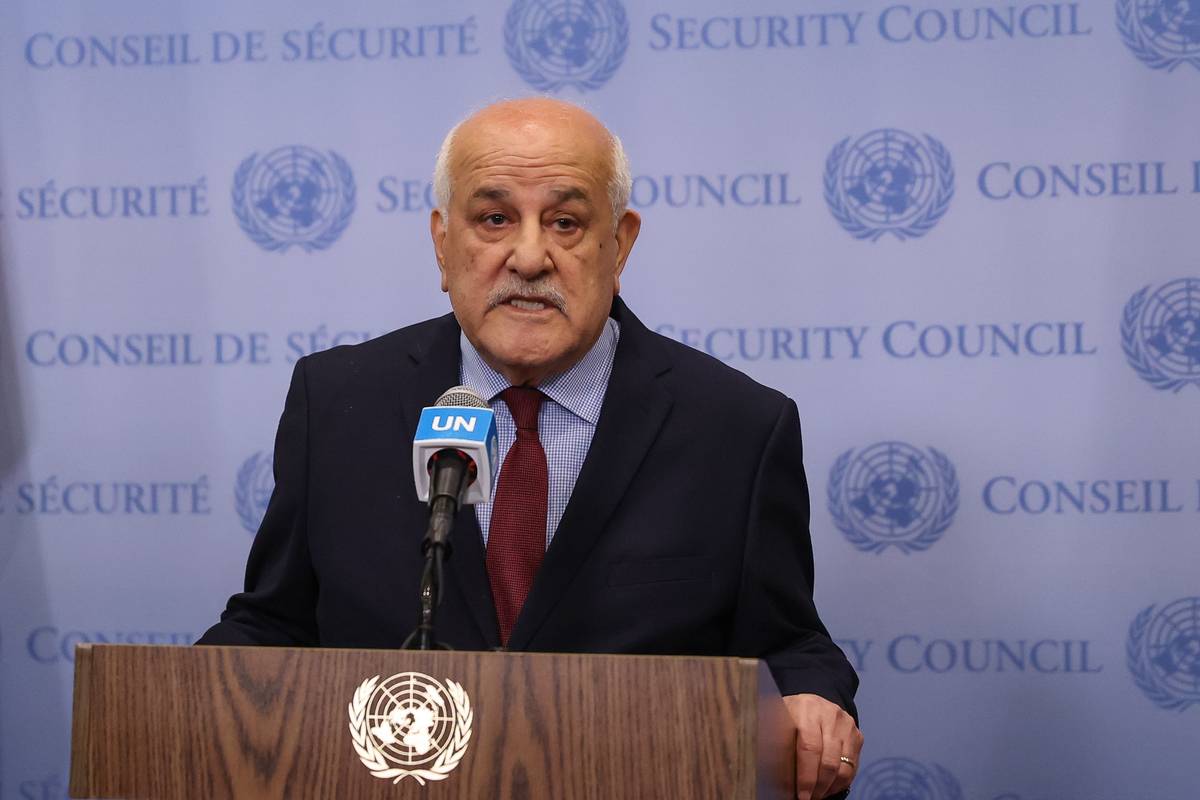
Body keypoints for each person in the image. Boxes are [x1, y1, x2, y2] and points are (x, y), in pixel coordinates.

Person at [199, 98, 862, 800]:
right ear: (442, 243)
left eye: (566, 223)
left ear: (620, 245)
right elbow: (274, 621)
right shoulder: (336, 402)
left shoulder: (736, 427)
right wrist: (182, 697)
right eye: (493, 219)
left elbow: (788, 644)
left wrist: (812, 699)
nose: (528, 257)